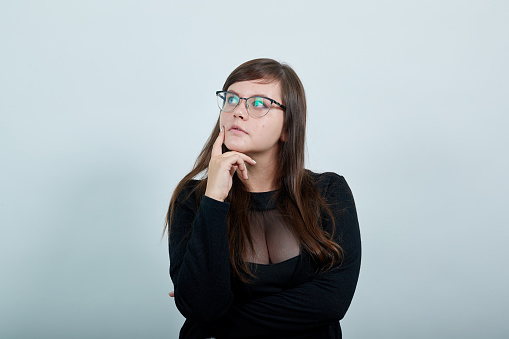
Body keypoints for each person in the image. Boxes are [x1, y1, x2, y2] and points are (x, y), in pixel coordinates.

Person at [165, 58, 361, 339]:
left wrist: (215, 320)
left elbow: (332, 301)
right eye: (231, 99)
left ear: (287, 129)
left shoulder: (329, 192)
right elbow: (202, 307)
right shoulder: (192, 199)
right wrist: (215, 198)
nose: (238, 112)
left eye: (258, 104)